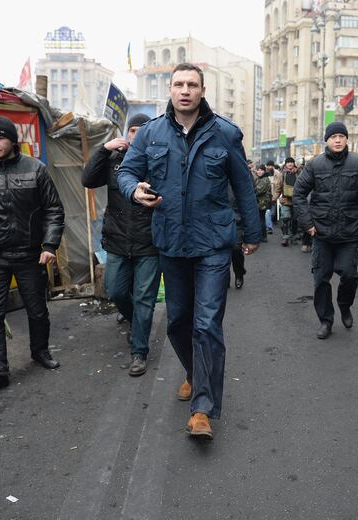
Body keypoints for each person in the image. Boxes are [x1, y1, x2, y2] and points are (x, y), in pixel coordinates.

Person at [118, 63, 261, 440]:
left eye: (192, 85)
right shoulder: (150, 134)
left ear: (202, 90)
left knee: (207, 323)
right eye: (178, 84)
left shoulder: (225, 133)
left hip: (213, 242)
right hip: (171, 240)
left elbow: (244, 185)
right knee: (179, 321)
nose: (185, 90)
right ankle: (194, 373)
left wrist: (252, 232)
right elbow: (125, 172)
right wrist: (134, 189)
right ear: (169, 89)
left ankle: (202, 409)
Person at [0, 116, 65, 396]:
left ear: (12, 140)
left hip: (30, 254)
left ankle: (40, 351)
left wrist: (49, 246)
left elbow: (53, 210)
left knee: (37, 309)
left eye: (0, 138)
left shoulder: (36, 170)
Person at [81, 113, 160, 377]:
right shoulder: (115, 160)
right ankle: (134, 320)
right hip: (116, 241)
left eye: (143, 130)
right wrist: (104, 149)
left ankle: (139, 351)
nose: (136, 134)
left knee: (145, 299)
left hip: (149, 242)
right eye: (133, 130)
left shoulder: (159, 161)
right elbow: (88, 180)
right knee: (115, 291)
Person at [293, 121, 358, 339]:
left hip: (349, 233)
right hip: (321, 234)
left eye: (341, 136)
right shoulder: (314, 165)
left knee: (349, 276)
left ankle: (344, 305)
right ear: (327, 141)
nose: (338, 140)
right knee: (321, 279)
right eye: (333, 137)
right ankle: (326, 320)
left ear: (347, 139)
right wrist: (308, 224)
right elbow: (299, 194)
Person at [273, 157, 298, 246]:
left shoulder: (299, 173)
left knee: (295, 220)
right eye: (288, 162)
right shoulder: (282, 174)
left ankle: (293, 236)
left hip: (297, 201)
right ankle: (285, 237)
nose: (290, 164)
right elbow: (278, 188)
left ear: (294, 163)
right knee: (285, 219)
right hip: (285, 200)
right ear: (285, 164)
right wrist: (274, 198)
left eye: (291, 162)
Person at [254, 165, 272, 242]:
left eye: (261, 170)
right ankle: (261, 236)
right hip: (259, 202)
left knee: (261, 220)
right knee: (259, 219)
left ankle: (263, 237)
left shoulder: (265, 179)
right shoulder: (259, 178)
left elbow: (258, 190)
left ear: (264, 171)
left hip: (262, 203)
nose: (259, 171)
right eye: (258, 170)